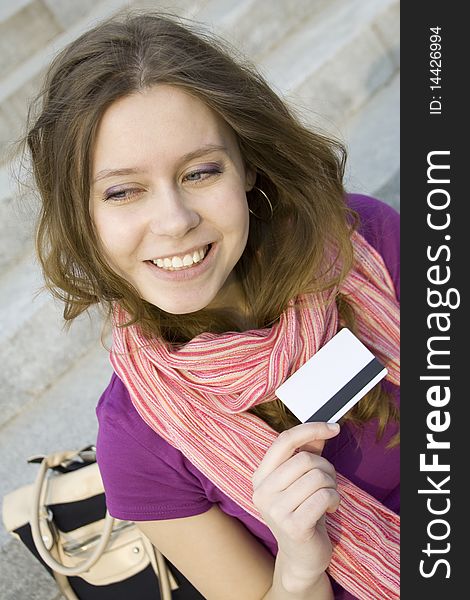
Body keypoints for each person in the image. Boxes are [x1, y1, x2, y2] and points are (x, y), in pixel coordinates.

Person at [25, 10, 400, 600]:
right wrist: (299, 565)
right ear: (82, 217)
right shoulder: (139, 439)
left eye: (200, 172)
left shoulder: (362, 243)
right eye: (123, 191)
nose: (175, 222)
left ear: (247, 166)